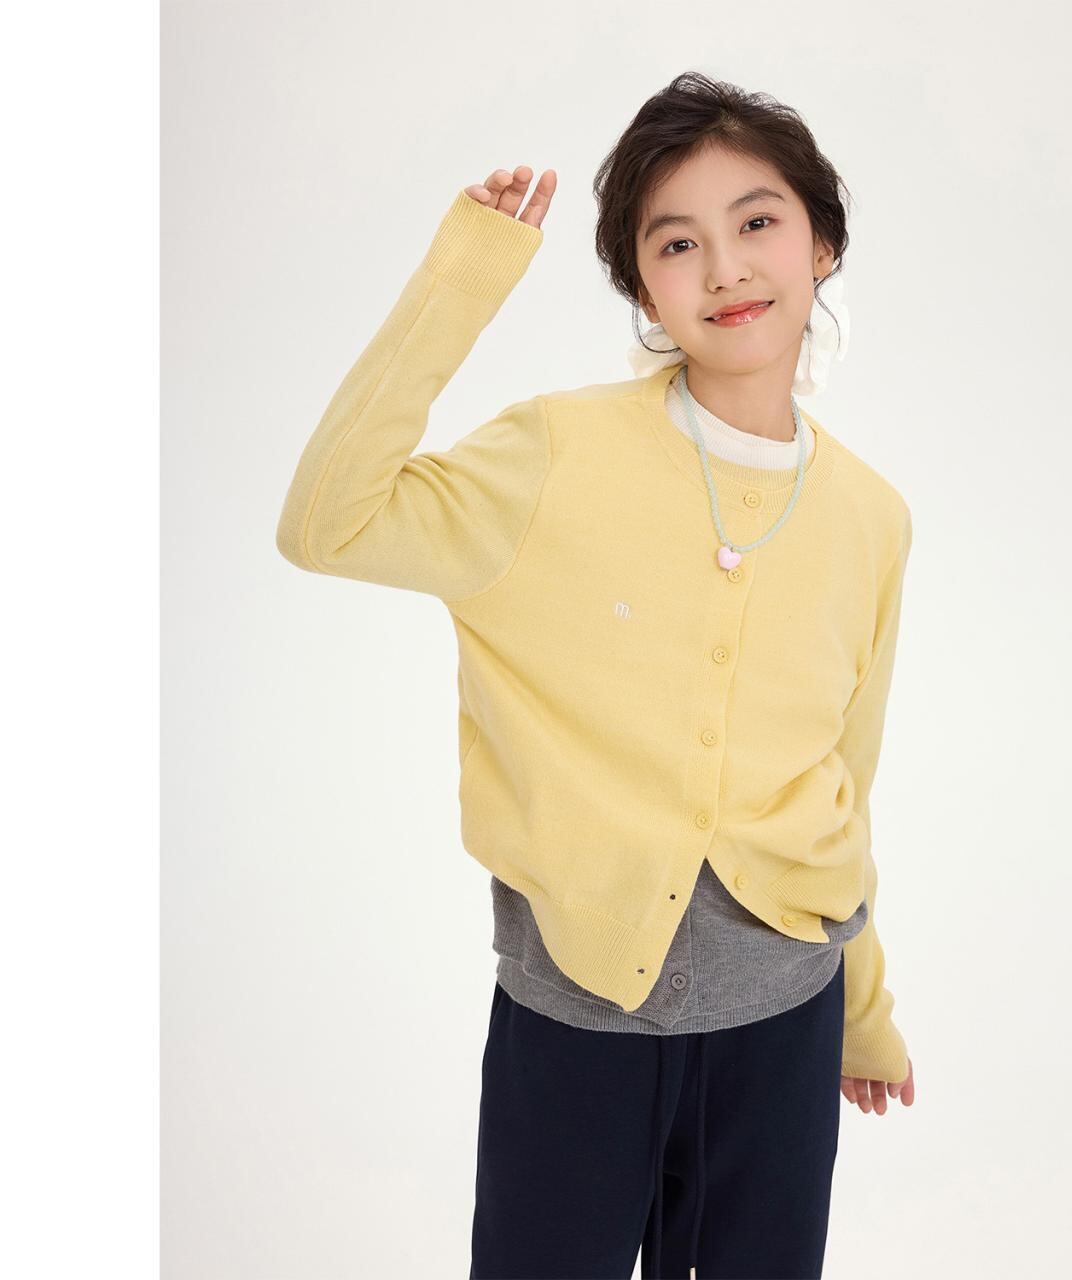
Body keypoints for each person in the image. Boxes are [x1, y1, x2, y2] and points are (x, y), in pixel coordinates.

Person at [277, 70, 916, 1280]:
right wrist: (462, 281)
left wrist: (862, 1007)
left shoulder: (870, 517)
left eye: (758, 220)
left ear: (821, 243)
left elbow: (845, 776)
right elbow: (325, 522)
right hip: (576, 1018)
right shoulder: (551, 454)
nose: (724, 267)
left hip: (787, 1017)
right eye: (676, 242)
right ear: (640, 286)